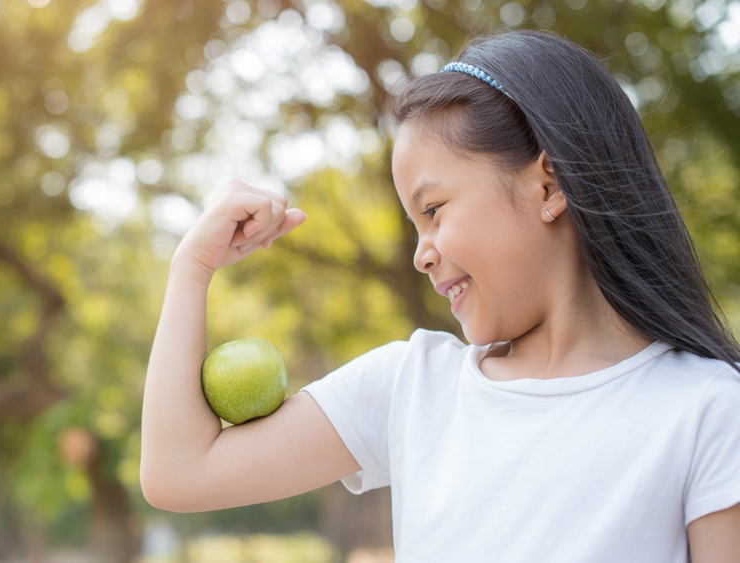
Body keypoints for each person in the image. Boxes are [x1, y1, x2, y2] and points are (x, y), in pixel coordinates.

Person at [140, 29, 740, 562]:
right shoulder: (410, 387)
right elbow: (179, 473)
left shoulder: (708, 412)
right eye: (414, 226)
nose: (420, 253)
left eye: (433, 210)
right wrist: (192, 267)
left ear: (549, 185)